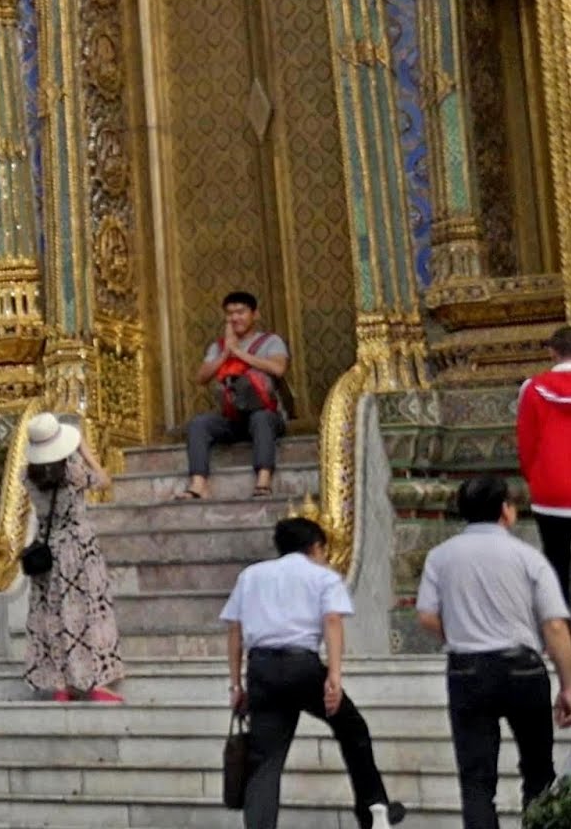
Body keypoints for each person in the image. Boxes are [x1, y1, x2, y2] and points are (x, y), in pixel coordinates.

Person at [415, 474, 571, 829]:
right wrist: (568, 686)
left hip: (467, 671)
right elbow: (555, 625)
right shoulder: (528, 557)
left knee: (476, 780)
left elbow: (426, 616)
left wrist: (459, 634)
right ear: (505, 510)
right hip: (523, 670)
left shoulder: (440, 557)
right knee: (538, 771)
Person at [222, 516, 400, 829]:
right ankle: (374, 809)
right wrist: (334, 676)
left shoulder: (250, 576)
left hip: (262, 669)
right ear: (316, 547)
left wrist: (236, 685)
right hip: (301, 667)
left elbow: (235, 630)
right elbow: (332, 621)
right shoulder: (323, 577)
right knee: (352, 729)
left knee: (265, 760)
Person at [17, 412, 124, 704]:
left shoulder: (27, 476)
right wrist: (85, 451)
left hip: (46, 549)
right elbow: (104, 480)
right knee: (86, 612)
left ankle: (60, 682)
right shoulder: (73, 472)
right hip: (78, 548)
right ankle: (93, 681)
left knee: (52, 613)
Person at [184, 289, 291, 501]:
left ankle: (263, 480)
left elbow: (278, 369)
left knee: (261, 419)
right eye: (230, 313)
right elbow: (201, 377)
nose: (235, 318)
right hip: (233, 418)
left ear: (255, 314)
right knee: (199, 424)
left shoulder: (271, 341)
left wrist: (240, 353)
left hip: (266, 415)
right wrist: (226, 352)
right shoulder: (219, 346)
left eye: (240, 312)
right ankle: (199, 484)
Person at [515, 326, 571, 605]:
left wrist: (534, 478)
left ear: (552, 352)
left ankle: (560, 621)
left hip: (550, 491)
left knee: (556, 561)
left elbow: (526, 442)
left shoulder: (533, 389)